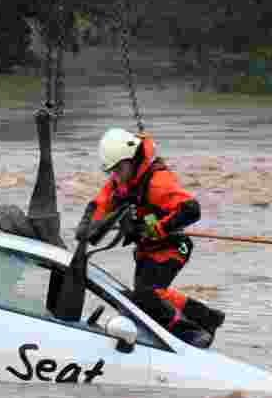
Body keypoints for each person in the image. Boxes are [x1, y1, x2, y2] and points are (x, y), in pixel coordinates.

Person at [75, 128, 225, 348]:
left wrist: (152, 229)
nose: (114, 175)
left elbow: (191, 210)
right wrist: (85, 229)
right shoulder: (120, 182)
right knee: (143, 300)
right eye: (112, 171)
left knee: (147, 295)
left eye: (118, 169)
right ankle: (207, 317)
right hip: (147, 250)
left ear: (131, 160)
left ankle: (190, 333)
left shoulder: (158, 182)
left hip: (173, 245)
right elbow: (98, 205)